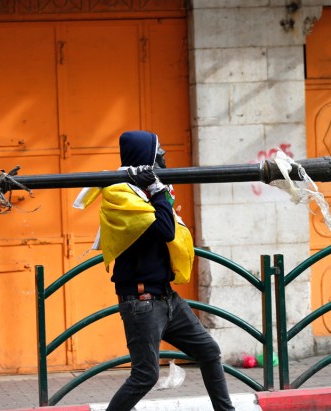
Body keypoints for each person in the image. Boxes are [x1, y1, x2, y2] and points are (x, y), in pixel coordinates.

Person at [97, 130, 235, 411]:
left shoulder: (147, 191)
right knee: (146, 374)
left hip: (166, 298)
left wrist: (159, 191)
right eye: (160, 154)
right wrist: (158, 191)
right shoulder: (120, 193)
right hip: (142, 302)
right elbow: (165, 229)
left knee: (209, 352)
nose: (165, 159)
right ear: (146, 159)